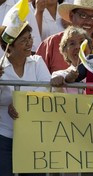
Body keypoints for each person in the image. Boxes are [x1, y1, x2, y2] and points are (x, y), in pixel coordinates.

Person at [0, 24, 51, 176]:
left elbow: (47, 88)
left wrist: (21, 102)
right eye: (23, 40)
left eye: (30, 38)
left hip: (34, 136)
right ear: (9, 47)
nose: (30, 43)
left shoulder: (37, 62)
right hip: (5, 137)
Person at [36, 0, 93, 74]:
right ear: (71, 16)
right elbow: (36, 78)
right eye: (83, 15)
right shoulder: (50, 44)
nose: (89, 22)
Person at [51, 25, 93, 93]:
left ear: (90, 47)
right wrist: (58, 82)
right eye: (72, 44)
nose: (78, 47)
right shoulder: (59, 75)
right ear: (65, 51)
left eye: (82, 42)